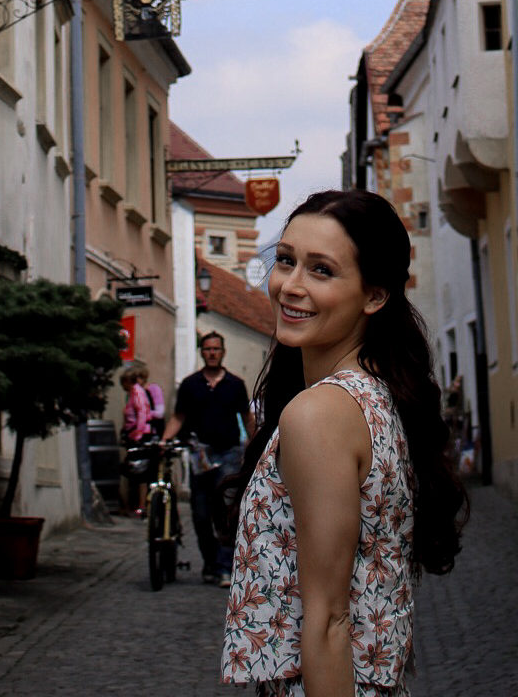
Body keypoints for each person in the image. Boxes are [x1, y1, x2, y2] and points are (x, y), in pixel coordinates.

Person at [221, 190, 468, 697]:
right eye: (286, 261)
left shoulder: (320, 414)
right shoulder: (375, 397)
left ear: (375, 296)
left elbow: (331, 621)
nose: (290, 286)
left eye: (321, 271)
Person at [162, 332, 254, 586]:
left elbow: (247, 417)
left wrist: (257, 443)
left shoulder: (235, 384)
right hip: (200, 454)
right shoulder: (191, 385)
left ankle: (225, 566)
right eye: (207, 349)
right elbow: (178, 416)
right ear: (201, 352)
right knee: (201, 513)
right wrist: (164, 440)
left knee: (225, 510)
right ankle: (210, 563)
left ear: (223, 352)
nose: (212, 353)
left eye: (216, 349)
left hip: (229, 453)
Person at [120, 369, 152, 516]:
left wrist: (137, 433)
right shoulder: (133, 392)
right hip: (133, 435)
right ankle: (137, 505)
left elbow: (142, 413)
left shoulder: (136, 391)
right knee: (134, 471)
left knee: (139, 472)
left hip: (138, 437)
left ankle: (141, 506)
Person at [132, 361, 166, 437]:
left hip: (153, 430)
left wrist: (144, 413)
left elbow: (160, 413)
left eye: (137, 378)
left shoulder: (154, 389)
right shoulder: (133, 392)